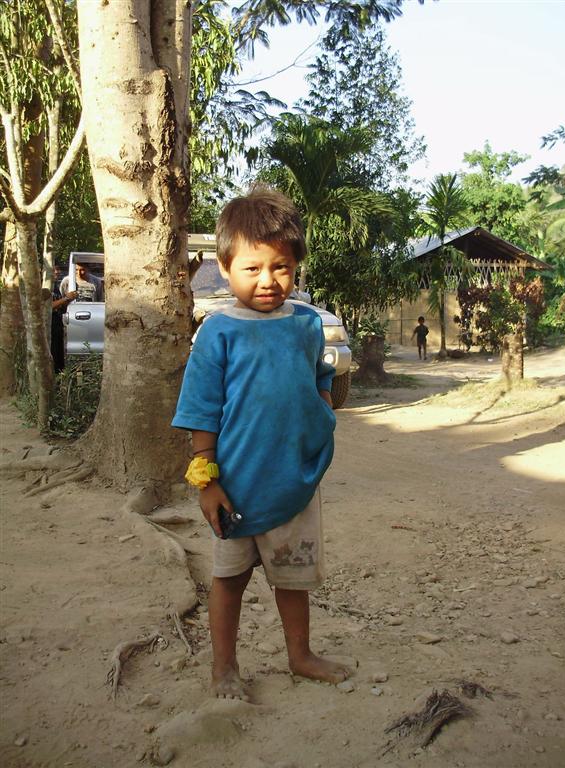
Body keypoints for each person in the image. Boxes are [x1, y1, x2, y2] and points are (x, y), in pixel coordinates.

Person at [172, 188, 349, 700]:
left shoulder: (307, 323)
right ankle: (223, 668)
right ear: (226, 268)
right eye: (252, 268)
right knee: (229, 580)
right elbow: (201, 409)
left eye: (281, 267)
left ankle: (301, 656)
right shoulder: (218, 332)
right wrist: (206, 481)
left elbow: (320, 373)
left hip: (294, 480)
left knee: (292, 579)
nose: (268, 280)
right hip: (236, 488)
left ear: (296, 267)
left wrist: (320, 409)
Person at [51, 266, 77, 373]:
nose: (57, 272)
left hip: (58, 325)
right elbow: (47, 306)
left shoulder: (55, 287)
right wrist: (65, 298)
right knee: (52, 353)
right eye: (54, 270)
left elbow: (60, 306)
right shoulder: (44, 287)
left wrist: (69, 300)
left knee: (59, 355)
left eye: (58, 269)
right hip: (49, 326)